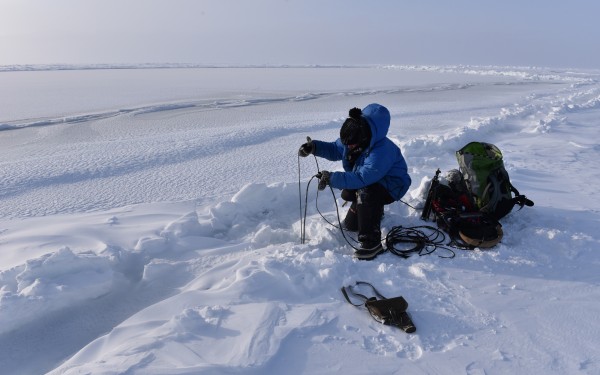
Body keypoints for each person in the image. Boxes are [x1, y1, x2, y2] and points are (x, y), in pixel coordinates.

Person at [298, 103, 411, 260]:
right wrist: (314, 147)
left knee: (366, 192)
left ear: (363, 139)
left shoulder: (382, 151)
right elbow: (335, 149)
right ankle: (374, 211)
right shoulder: (354, 135)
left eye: (350, 144)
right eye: (346, 143)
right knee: (351, 218)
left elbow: (362, 178)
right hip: (372, 180)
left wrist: (332, 178)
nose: (347, 147)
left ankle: (372, 244)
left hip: (392, 185)